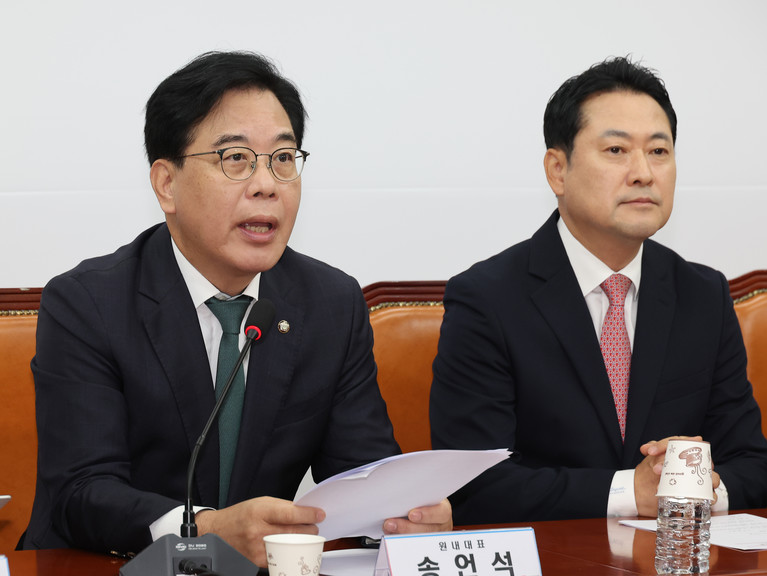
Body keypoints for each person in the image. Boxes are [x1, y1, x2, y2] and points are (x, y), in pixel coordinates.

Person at [21, 51, 451, 565]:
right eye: (236, 158)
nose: (266, 184)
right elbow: (81, 492)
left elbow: (362, 473)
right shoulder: (88, 303)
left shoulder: (330, 303)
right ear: (167, 184)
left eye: (283, 158)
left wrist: (402, 515)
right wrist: (205, 532)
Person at [429, 56, 767, 524]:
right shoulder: (487, 299)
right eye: (616, 150)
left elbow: (754, 467)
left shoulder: (702, 294)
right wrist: (632, 492)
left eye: (659, 151)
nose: (643, 173)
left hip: (669, 555)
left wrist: (688, 489)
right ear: (558, 170)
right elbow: (475, 486)